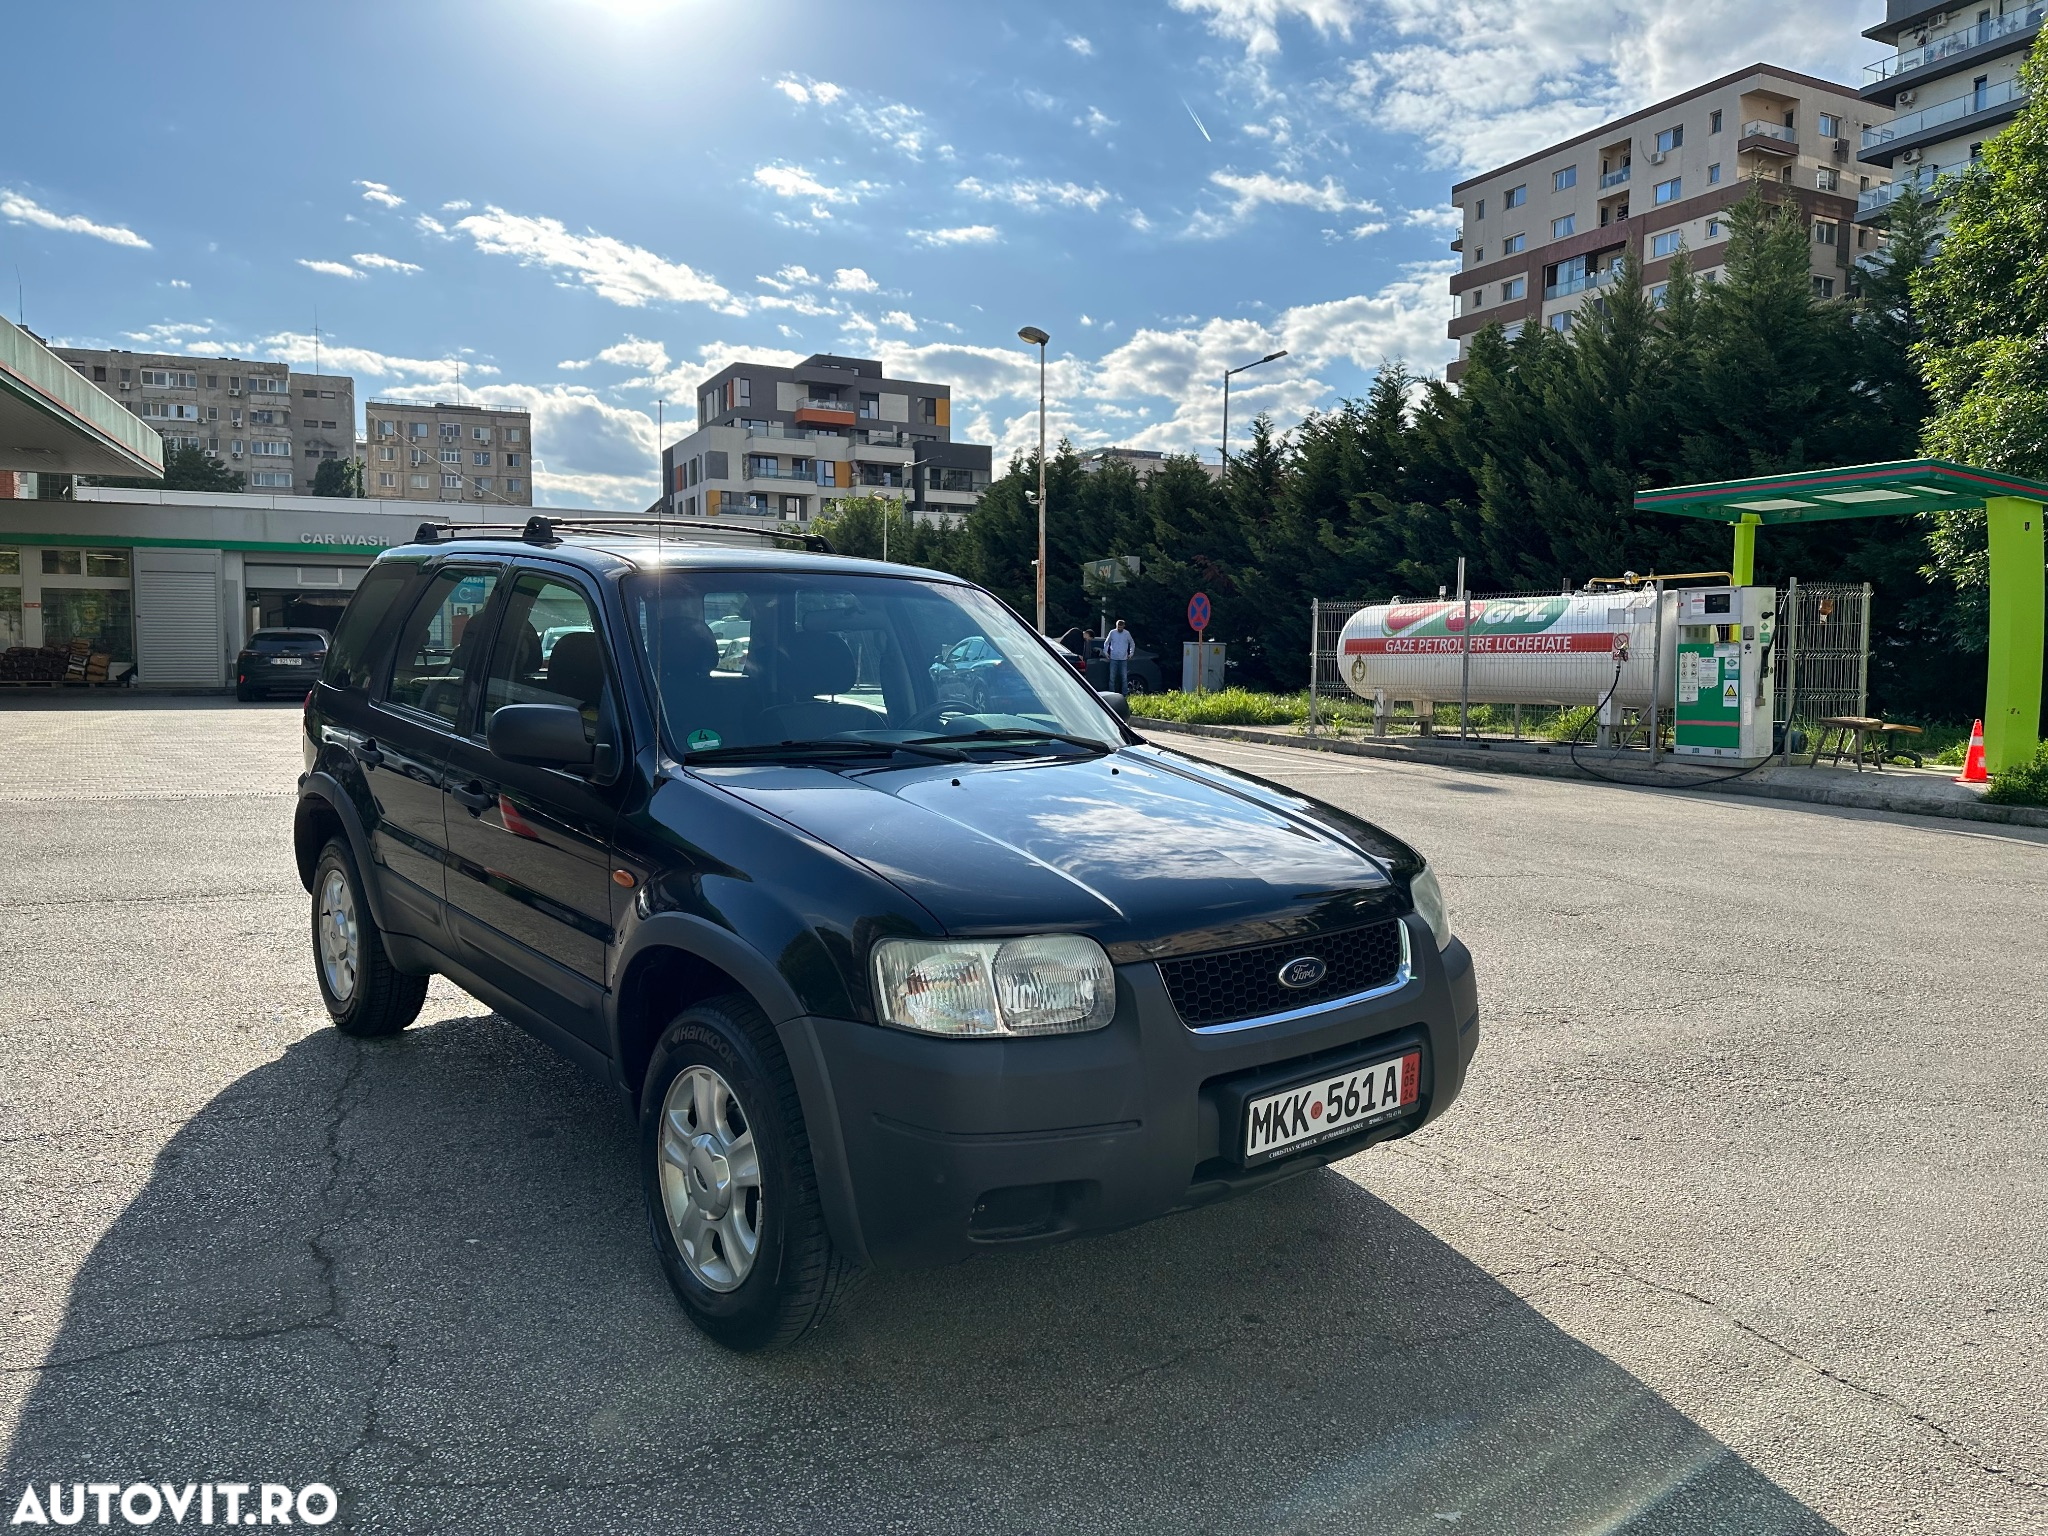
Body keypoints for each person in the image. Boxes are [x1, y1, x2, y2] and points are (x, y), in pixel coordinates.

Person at [1103, 619, 1135, 693]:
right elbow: (1106, 642)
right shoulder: (1112, 632)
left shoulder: (1127, 634)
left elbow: (1132, 643)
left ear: (1123, 626)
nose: (1119, 628)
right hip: (1113, 658)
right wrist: (1106, 652)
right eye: (1118, 627)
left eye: (1121, 627)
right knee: (1112, 678)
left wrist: (1131, 653)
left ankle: (1124, 694)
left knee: (1124, 678)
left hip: (1123, 659)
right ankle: (1112, 693)